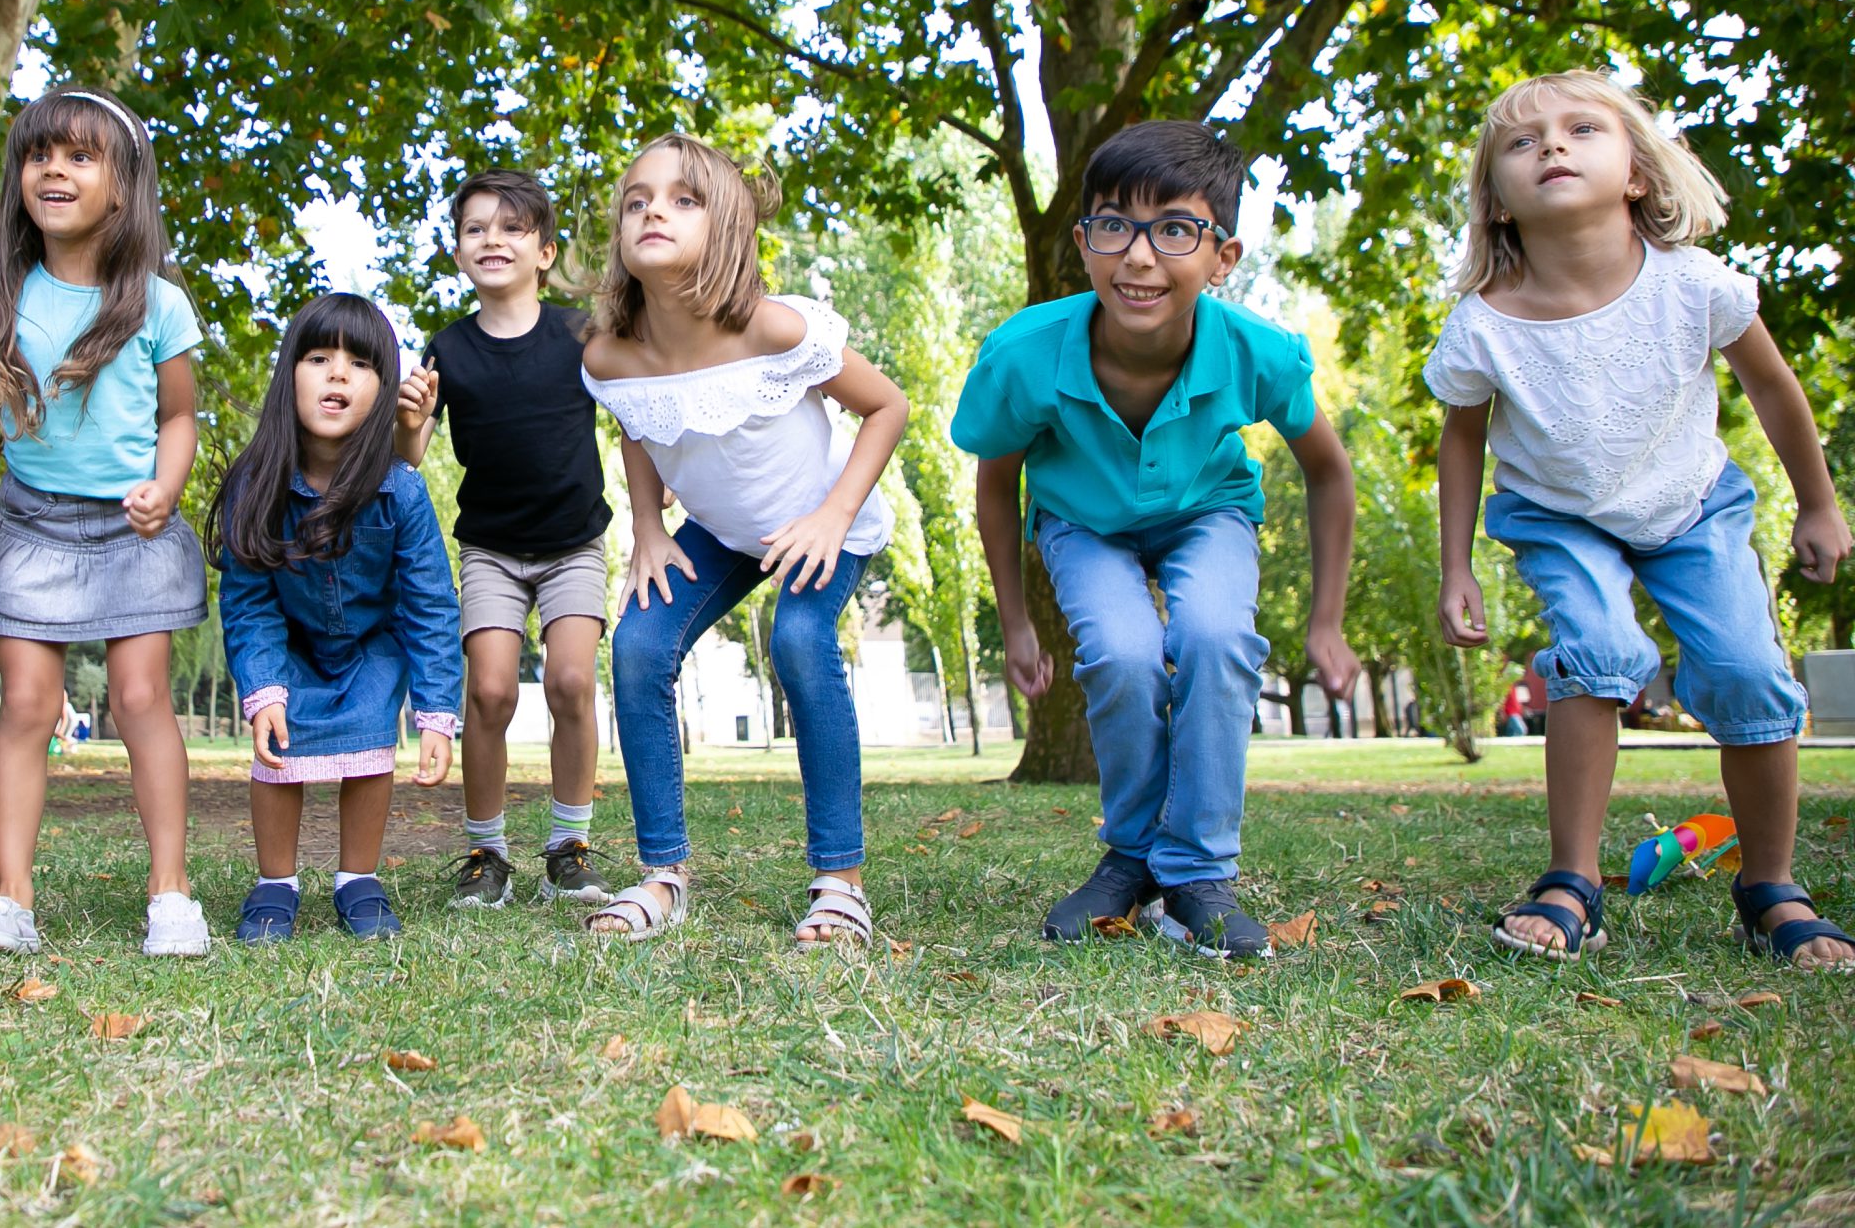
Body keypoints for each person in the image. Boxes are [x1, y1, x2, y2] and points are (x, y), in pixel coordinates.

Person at [1429, 71, 1853, 970]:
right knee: (1598, 651)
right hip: (1559, 515)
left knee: (1747, 672)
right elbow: (1461, 440)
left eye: (1582, 128)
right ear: (1497, 201)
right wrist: (1455, 565)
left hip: (1692, 506)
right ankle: (1572, 880)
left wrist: (1818, 503)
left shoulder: (1694, 282)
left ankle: (1771, 887)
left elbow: (1773, 388)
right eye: (1522, 142)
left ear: (1635, 174)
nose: (1552, 145)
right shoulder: (1484, 324)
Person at [956, 120, 1357, 961]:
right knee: (1124, 651)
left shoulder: (1255, 352)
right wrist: (1017, 623)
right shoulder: (1024, 355)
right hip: (1082, 520)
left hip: (1207, 509)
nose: (1139, 256)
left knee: (1214, 633)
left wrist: (1326, 620)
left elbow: (1328, 470)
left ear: (1223, 256)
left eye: (1175, 229)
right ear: (1083, 241)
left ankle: (1199, 876)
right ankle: (1134, 857)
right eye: (1114, 225)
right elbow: (997, 483)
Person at [580, 135, 910, 947]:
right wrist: (647, 526)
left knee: (798, 638)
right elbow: (635, 425)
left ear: (727, 225)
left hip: (822, 521)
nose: (653, 210)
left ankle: (841, 881)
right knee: (638, 644)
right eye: (636, 200)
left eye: (683, 199)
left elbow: (888, 406)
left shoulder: (775, 328)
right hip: (722, 531)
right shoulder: (612, 354)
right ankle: (664, 873)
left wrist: (833, 515)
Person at [0, 89, 211, 959]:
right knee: (26, 704)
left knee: (140, 700)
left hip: (134, 532)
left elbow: (179, 416)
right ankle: (10, 901)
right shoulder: (1, 297)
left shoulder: (157, 303)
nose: (53, 170)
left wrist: (166, 487)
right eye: (39, 154)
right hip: (33, 529)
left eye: (80, 156)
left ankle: (171, 893)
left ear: (124, 186)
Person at [208, 293, 462, 943]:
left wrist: (436, 713)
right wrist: (264, 686)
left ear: (383, 390)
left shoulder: (402, 489)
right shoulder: (254, 486)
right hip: (288, 641)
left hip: (372, 641)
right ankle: (275, 882)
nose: (338, 373)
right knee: (277, 741)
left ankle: (357, 878)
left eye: (361, 363)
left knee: (372, 730)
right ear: (289, 374)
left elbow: (431, 603)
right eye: (319, 358)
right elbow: (248, 600)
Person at [394, 168, 616, 909]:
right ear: (458, 252)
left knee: (570, 683)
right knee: (488, 691)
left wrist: (665, 485)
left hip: (574, 544)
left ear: (545, 251)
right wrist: (408, 416)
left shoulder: (579, 334)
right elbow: (408, 455)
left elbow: (636, 408)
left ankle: (568, 847)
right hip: (491, 548)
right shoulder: (448, 349)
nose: (492, 239)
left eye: (512, 227)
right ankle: (485, 853)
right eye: (475, 228)